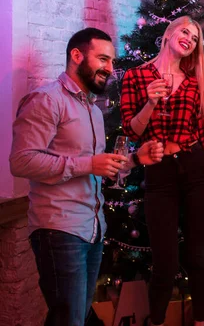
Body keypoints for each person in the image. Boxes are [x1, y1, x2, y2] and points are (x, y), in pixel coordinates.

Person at [9, 27, 165, 326]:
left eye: (112, 61)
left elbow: (97, 167)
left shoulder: (92, 110)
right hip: (58, 228)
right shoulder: (46, 99)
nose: (110, 68)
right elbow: (22, 162)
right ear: (76, 56)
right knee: (70, 319)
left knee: (72, 317)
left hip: (92, 229)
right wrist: (87, 165)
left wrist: (134, 159)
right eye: (103, 59)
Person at [120, 15, 204, 326]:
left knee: (197, 258)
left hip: (197, 171)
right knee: (164, 262)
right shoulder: (136, 76)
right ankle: (157, 322)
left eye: (195, 38)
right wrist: (150, 102)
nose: (189, 38)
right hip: (159, 174)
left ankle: (200, 322)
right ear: (170, 33)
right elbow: (132, 133)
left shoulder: (193, 83)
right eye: (185, 31)